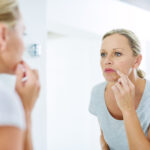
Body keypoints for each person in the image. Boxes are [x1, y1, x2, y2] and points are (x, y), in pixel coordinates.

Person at [88, 29, 150, 150]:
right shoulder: (97, 92)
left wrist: (127, 109)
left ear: (136, 61)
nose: (107, 61)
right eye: (103, 54)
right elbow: (104, 136)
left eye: (117, 54)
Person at [0, 0, 40, 150]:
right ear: (3, 35)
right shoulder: (4, 100)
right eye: (22, 33)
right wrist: (25, 109)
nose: (24, 44)